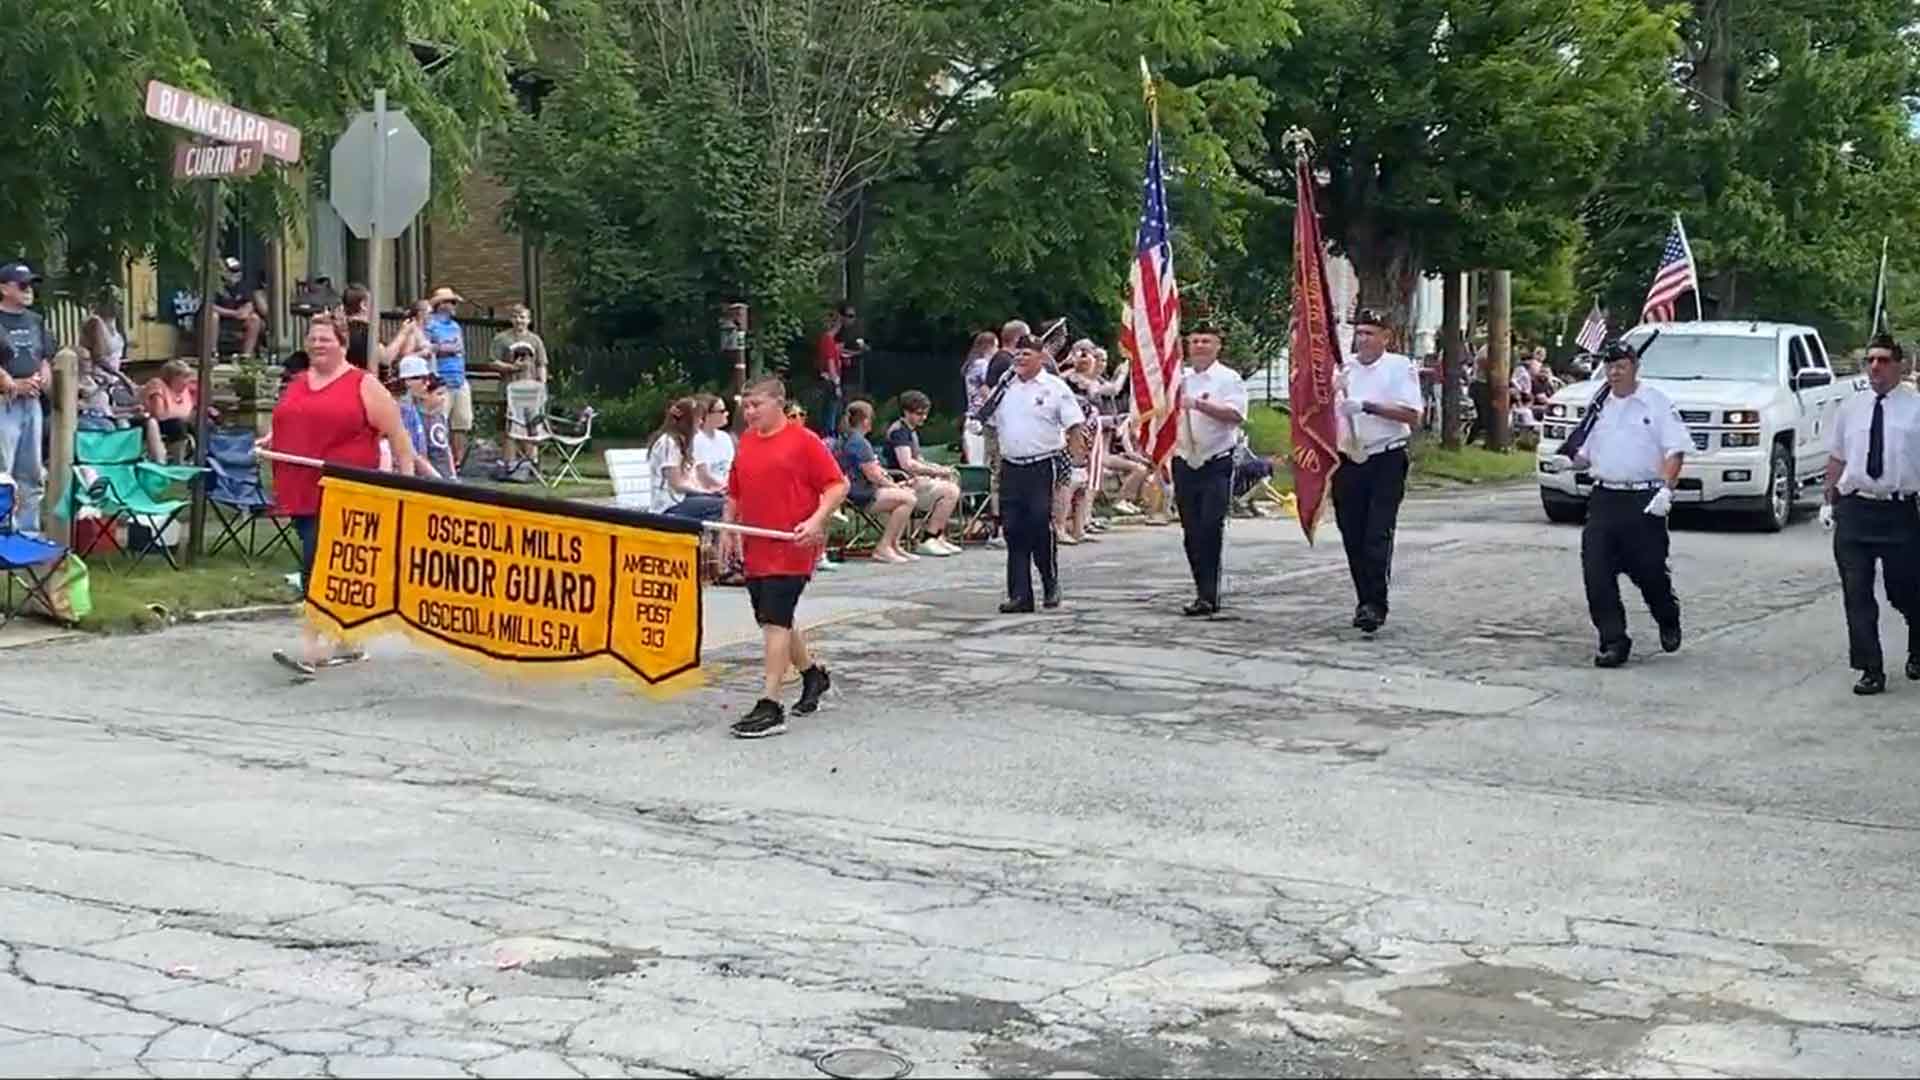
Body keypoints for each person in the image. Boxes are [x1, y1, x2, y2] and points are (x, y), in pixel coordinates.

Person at [264, 313, 415, 679]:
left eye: (325, 338)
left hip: (345, 491)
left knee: (318, 563)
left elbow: (398, 438)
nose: (317, 344)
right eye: (313, 338)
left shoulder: (363, 384)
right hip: (300, 490)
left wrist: (407, 485)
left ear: (342, 343)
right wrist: (270, 441)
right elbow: (290, 422)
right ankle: (349, 639)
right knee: (327, 565)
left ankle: (316, 645)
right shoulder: (298, 382)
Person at [720, 375, 849, 738]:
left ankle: (770, 703)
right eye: (745, 406)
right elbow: (735, 491)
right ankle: (812, 674)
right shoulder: (745, 441)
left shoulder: (803, 441)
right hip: (758, 542)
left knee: (775, 619)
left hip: (793, 544)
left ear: (779, 402)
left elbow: (837, 484)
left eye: (756, 405)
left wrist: (815, 520)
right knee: (773, 618)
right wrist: (729, 529)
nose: (749, 412)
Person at [1551, 337, 1691, 668]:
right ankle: (1613, 640)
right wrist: (1571, 462)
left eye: (1621, 366)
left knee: (1650, 572)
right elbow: (1587, 453)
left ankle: (1667, 615)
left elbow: (1675, 450)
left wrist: (1666, 490)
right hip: (1605, 497)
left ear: (1635, 368)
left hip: (1644, 497)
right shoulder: (1599, 406)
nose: (1614, 373)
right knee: (1596, 572)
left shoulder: (1656, 403)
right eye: (1609, 367)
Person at [1819, 334, 1920, 695]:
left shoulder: (1915, 409)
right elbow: (1838, 456)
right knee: (1856, 591)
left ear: (1900, 365)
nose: (1875, 366)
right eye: (1870, 360)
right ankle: (1870, 668)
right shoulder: (1851, 408)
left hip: (1899, 510)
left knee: (1904, 588)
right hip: (1856, 508)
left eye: (1883, 360)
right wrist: (1828, 499)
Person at [977, 334, 1085, 613]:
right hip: (1011, 465)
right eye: (1018, 354)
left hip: (1042, 463)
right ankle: (1020, 595)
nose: (1021, 359)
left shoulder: (1054, 387)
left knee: (1038, 522)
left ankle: (1050, 582)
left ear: (1040, 357)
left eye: (1027, 354)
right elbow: (985, 420)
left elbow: (1074, 424)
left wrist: (1076, 457)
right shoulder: (1006, 387)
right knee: (1013, 528)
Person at [1332, 308, 1424, 634]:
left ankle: (1375, 604)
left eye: (1371, 333)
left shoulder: (1400, 368)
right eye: (1360, 333)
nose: (1364, 339)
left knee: (1376, 533)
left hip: (1385, 457)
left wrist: (1367, 406)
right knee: (1352, 533)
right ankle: (1363, 599)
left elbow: (1412, 414)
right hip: (1348, 460)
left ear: (1387, 337)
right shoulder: (1343, 368)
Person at [1173, 321, 1249, 617]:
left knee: (1210, 525)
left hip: (1215, 460)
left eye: (1206, 341)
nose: (1200, 346)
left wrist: (1198, 405)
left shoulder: (1228, 379)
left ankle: (1209, 593)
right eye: (1195, 341)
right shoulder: (1178, 377)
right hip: (1183, 460)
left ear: (1218, 346)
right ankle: (1200, 588)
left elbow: (1235, 415)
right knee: (1191, 530)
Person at [0, 263, 54, 534]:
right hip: (3, 403)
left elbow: (45, 353)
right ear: (4, 288)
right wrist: (9, 382)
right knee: (2, 472)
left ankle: (27, 534)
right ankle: (3, 534)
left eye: (31, 285)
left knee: (31, 473)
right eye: (22, 285)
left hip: (31, 402)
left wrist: (44, 372)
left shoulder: (35, 320)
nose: (29, 290)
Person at [836, 400, 919, 563]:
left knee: (907, 495)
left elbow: (876, 471)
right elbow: (873, 476)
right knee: (908, 499)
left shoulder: (851, 439)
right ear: (866, 421)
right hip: (861, 494)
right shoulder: (859, 443)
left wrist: (896, 486)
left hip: (860, 489)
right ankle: (884, 547)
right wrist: (895, 486)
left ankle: (895, 546)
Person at [885, 390, 962, 556]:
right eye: (919, 413)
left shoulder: (910, 430)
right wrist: (934, 471)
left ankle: (938, 534)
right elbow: (907, 464)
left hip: (915, 480)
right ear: (906, 412)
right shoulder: (900, 432)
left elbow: (919, 459)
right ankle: (928, 538)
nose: (924, 418)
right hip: (902, 482)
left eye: (925, 413)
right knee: (950, 491)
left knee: (952, 481)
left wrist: (940, 469)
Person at [647, 397, 726, 521]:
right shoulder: (669, 443)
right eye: (698, 418)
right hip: (669, 506)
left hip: (684, 499)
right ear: (688, 421)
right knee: (723, 505)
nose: (701, 422)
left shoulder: (686, 442)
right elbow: (677, 485)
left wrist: (714, 491)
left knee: (727, 502)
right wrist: (704, 493)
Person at [423, 286, 472, 467]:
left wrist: (444, 347)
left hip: (459, 379)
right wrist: (444, 348)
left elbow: (459, 348)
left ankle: (457, 463)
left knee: (462, 423)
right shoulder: (430, 324)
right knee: (439, 422)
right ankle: (442, 461)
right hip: (440, 380)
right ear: (441, 305)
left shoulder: (455, 326)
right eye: (451, 302)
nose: (454, 305)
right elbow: (428, 348)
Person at [395, 356, 457, 480]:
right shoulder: (402, 410)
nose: (427, 384)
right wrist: (438, 480)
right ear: (407, 381)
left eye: (427, 379)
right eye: (422, 380)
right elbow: (412, 454)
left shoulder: (412, 409)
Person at [139, 360, 210, 462]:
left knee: (203, 424)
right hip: (153, 424)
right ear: (172, 377)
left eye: (188, 377)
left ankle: (202, 458)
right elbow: (159, 414)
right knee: (179, 425)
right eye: (184, 377)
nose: (186, 382)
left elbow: (187, 412)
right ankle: (178, 461)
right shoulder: (157, 386)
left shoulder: (183, 389)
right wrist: (179, 413)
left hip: (174, 422)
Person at [211, 256, 263, 357]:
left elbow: (249, 303)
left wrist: (245, 312)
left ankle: (246, 355)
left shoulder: (243, 285)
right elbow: (210, 306)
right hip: (220, 318)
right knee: (213, 316)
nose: (235, 274)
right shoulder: (215, 285)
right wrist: (233, 313)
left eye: (237, 271)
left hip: (236, 320)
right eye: (232, 271)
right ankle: (212, 352)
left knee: (254, 319)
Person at [691, 392, 736, 490]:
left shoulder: (725, 437)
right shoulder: (696, 440)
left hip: (726, 490)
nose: (727, 413)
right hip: (707, 494)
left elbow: (734, 469)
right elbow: (703, 477)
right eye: (722, 411)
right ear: (707, 415)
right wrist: (726, 488)